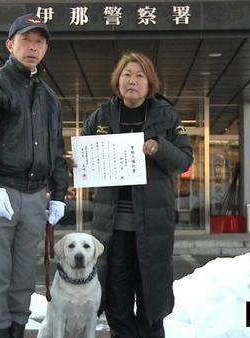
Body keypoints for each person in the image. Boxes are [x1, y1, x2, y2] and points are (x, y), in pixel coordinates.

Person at [0, 13, 68, 338]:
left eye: (39, 42)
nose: (32, 47)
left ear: (45, 49)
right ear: (10, 44)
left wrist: (59, 194)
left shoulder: (49, 98)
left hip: (35, 196)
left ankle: (17, 331)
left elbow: (56, 150)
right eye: (26, 40)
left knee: (23, 274)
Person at [80, 52, 193, 337]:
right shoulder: (101, 117)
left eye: (139, 75)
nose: (132, 80)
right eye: (126, 74)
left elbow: (185, 159)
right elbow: (85, 157)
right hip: (111, 228)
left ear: (150, 82)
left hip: (153, 226)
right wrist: (80, 162)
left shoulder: (166, 116)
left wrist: (160, 148)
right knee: (116, 299)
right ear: (117, 81)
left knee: (151, 299)